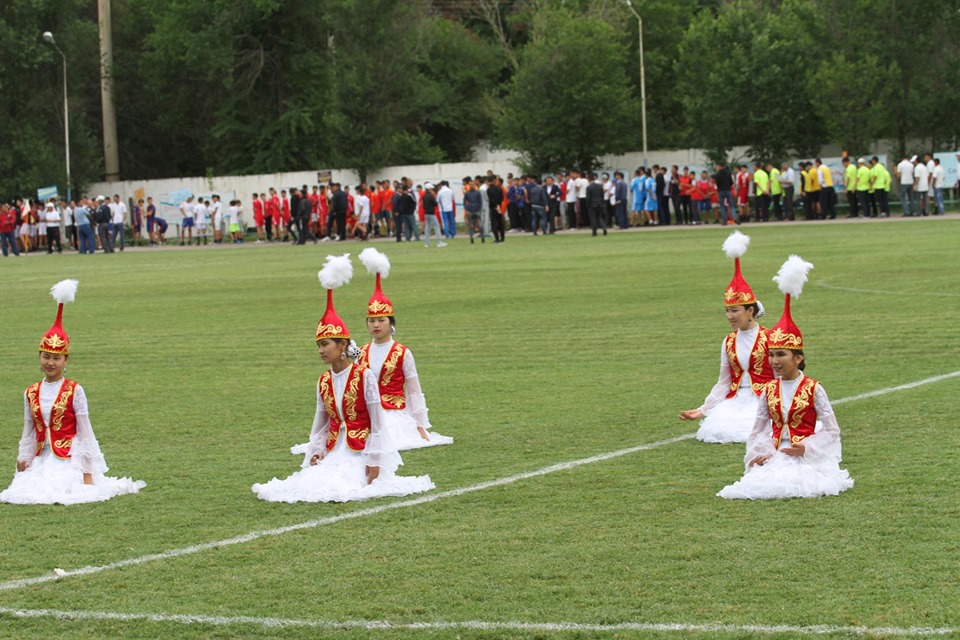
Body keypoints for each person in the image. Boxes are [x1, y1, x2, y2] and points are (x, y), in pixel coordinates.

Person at [254, 255, 434, 503]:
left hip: (367, 440)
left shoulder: (384, 363)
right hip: (337, 447)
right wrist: (316, 451)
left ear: (341, 345)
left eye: (325, 344)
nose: (320, 350)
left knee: (342, 484)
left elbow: (383, 415)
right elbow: (321, 422)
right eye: (371, 320)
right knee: (314, 483)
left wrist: (379, 455)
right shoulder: (331, 375)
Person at [718, 256, 854, 500]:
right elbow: (757, 431)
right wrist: (762, 453)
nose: (775, 361)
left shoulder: (813, 388)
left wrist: (806, 448)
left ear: (798, 358)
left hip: (806, 459)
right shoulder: (769, 390)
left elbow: (832, 430)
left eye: (781, 355)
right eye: (771, 355)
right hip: (777, 456)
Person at [1, 280, 146, 505]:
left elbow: (85, 432)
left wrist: (88, 473)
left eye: (56, 358)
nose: (50, 363)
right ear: (39, 357)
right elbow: (29, 429)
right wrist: (25, 457)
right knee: (25, 491)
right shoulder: (30, 392)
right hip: (42, 458)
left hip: (70, 460)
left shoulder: (74, 390)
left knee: (62, 490)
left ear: (66, 360)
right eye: (46, 357)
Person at [680, 232, 773, 443]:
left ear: (750, 310)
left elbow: (782, 378)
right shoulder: (728, 341)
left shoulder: (770, 338)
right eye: (727, 310)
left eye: (735, 310)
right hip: (736, 400)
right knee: (720, 430)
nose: (730, 316)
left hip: (765, 400)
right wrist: (703, 410)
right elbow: (724, 381)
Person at [357, 249, 453, 449]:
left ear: (391, 323)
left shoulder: (402, 353)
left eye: (381, 320)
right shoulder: (361, 352)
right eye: (372, 321)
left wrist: (419, 424)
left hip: (393, 413)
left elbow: (414, 390)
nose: (376, 325)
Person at [487, 176, 505, 243]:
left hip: (493, 208)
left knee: (494, 223)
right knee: (501, 222)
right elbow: (502, 197)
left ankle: (497, 238)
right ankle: (502, 238)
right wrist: (498, 204)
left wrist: (495, 205)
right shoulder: (499, 188)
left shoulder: (489, 190)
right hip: (499, 207)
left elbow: (491, 199)